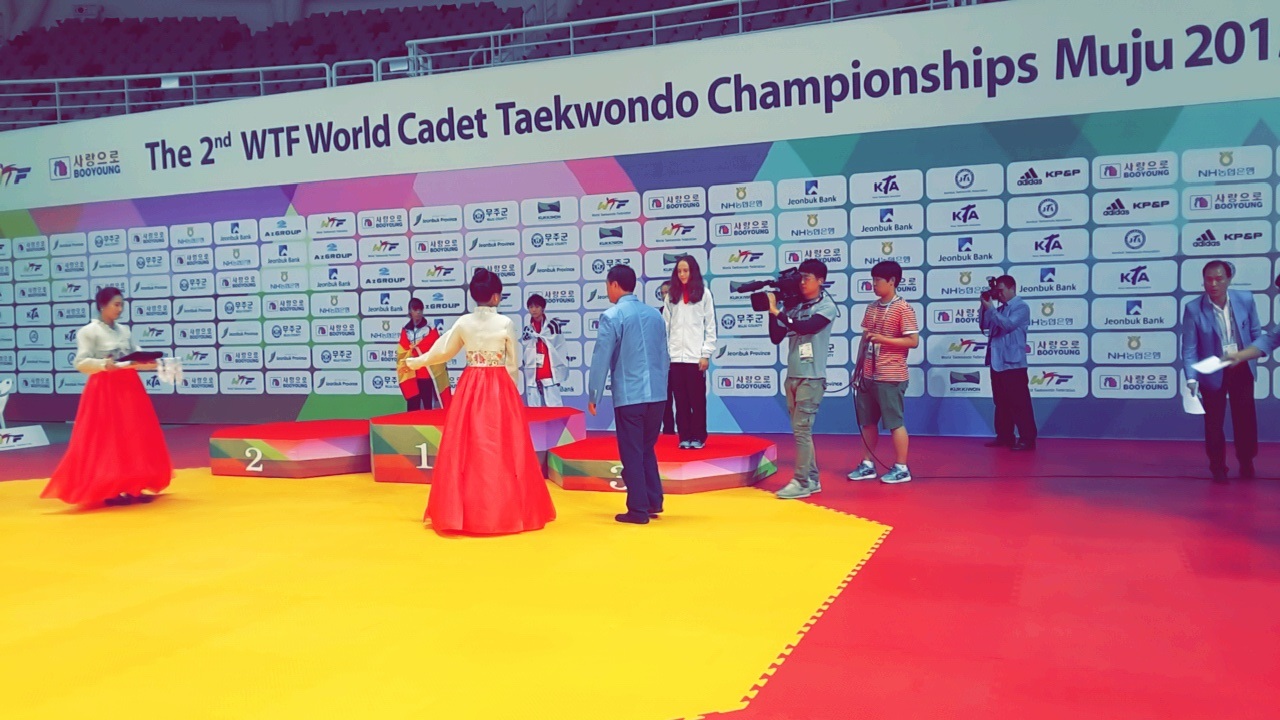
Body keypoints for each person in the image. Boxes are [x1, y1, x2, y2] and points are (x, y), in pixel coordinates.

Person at [405, 268, 555, 534]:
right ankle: (508, 512)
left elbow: (443, 350)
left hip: (470, 386)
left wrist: (417, 361)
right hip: (499, 386)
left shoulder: (464, 322)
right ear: (496, 296)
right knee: (505, 446)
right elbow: (512, 363)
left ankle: (465, 513)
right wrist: (512, 392)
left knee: (466, 446)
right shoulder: (505, 323)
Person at [40, 286, 173, 506]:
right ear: (103, 305)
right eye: (116, 305)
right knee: (109, 439)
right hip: (104, 390)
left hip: (130, 388)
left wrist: (151, 363)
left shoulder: (125, 331)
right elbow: (80, 363)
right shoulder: (89, 331)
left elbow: (134, 357)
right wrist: (103, 364)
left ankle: (134, 486)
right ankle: (110, 489)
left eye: (122, 305)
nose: (120, 309)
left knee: (134, 435)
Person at [587, 264, 670, 524]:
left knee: (632, 452)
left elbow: (601, 358)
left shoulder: (612, 316)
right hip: (657, 395)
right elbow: (664, 356)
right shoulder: (655, 315)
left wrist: (594, 394)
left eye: (607, 285)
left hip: (630, 396)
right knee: (646, 448)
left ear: (614, 284)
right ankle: (653, 500)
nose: (607, 290)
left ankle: (637, 509)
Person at [1182, 260, 1262, 482]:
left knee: (1245, 419)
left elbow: (1256, 332)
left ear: (1229, 279)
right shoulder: (1193, 308)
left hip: (1241, 365)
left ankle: (1246, 461)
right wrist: (1191, 378)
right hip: (1213, 370)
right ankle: (1218, 467)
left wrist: (1252, 354)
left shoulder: (1245, 299)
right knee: (1214, 423)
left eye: (1219, 279)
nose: (1213, 284)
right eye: (1208, 279)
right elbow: (1189, 348)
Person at [766, 259, 838, 500]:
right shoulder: (794, 307)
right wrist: (772, 311)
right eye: (800, 277)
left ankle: (801, 481)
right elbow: (776, 336)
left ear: (821, 280)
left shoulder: (826, 306)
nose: (802, 282)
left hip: (812, 378)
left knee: (802, 431)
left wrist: (778, 312)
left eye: (807, 277)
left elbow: (807, 327)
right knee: (801, 431)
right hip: (793, 375)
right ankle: (812, 479)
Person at [847, 260, 920, 485]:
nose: (874, 284)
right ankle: (867, 464)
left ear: (892, 281)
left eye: (878, 280)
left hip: (891, 375)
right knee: (867, 422)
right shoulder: (871, 308)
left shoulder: (903, 308)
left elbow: (913, 341)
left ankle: (901, 468)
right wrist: (858, 369)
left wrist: (883, 339)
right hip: (868, 374)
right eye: (873, 280)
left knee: (894, 422)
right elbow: (865, 338)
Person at [664, 255, 717, 449]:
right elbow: (665, 327)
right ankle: (684, 436)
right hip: (675, 357)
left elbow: (710, 326)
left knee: (697, 400)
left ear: (692, 271)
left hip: (695, 358)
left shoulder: (704, 294)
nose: (682, 274)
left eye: (685, 270)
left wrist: (705, 354)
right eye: (679, 271)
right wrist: (667, 354)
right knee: (680, 400)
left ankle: (699, 436)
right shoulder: (671, 295)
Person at [979, 275, 1036, 450]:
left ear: (1012, 288)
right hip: (997, 362)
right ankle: (1004, 436)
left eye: (1001, 290)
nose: (999, 294)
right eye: (996, 291)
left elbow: (1008, 325)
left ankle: (1027, 438)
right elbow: (984, 325)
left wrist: (991, 309)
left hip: (1013, 364)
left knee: (1019, 403)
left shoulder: (1021, 307)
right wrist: (984, 305)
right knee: (1001, 403)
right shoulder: (999, 309)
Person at [520, 293, 567, 407]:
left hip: (549, 370)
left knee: (554, 406)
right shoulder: (527, 330)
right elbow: (525, 351)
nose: (534, 310)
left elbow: (560, 347)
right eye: (531, 307)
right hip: (533, 372)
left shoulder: (553, 326)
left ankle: (557, 421)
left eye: (537, 306)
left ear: (543, 308)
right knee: (533, 407)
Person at [397, 298, 441, 411]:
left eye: (420, 310)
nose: (418, 312)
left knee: (427, 405)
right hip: (411, 373)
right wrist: (412, 350)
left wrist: (418, 348)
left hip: (425, 372)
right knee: (413, 405)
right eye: (415, 309)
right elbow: (402, 350)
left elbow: (435, 347)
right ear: (410, 311)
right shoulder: (405, 329)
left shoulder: (430, 328)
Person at [658, 281, 677, 436]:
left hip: (680, 362)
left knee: (683, 400)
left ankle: (685, 431)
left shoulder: (683, 310)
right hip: (664, 364)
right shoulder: (658, 313)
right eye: (662, 293)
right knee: (665, 400)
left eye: (667, 292)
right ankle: (668, 431)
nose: (665, 296)